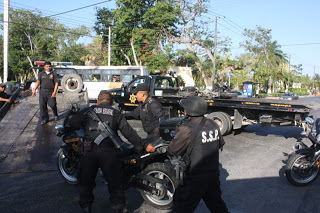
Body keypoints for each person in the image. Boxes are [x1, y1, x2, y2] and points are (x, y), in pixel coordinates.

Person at [68, 91, 155, 213]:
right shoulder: (115, 113)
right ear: (112, 102)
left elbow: (72, 123)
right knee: (115, 184)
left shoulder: (89, 111)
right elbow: (129, 133)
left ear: (98, 101)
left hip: (89, 152)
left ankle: (86, 207)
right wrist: (144, 144)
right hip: (108, 153)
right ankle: (118, 208)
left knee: (85, 181)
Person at [168, 96, 229, 213]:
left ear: (190, 110)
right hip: (212, 175)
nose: (184, 110)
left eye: (185, 108)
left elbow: (172, 150)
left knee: (180, 206)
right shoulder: (213, 124)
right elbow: (220, 143)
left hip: (195, 178)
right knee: (218, 206)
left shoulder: (187, 128)